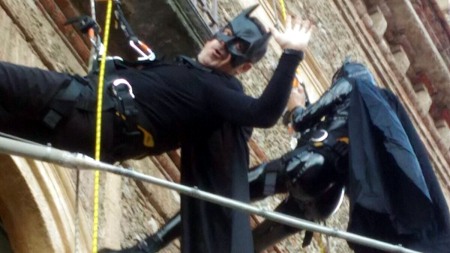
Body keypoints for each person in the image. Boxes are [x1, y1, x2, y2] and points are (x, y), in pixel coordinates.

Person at [0, 4, 313, 253]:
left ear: (243, 67)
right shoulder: (183, 68)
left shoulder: (220, 91)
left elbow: (262, 113)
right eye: (224, 34)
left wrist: (291, 55)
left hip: (91, 111)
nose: (222, 45)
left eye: (236, 47)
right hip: (82, 114)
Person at [111, 60, 450, 253]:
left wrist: (298, 103)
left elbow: (303, 121)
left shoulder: (354, 87)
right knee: (247, 245)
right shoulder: (376, 124)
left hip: (306, 166)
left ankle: (148, 246)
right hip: (324, 200)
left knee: (220, 197)